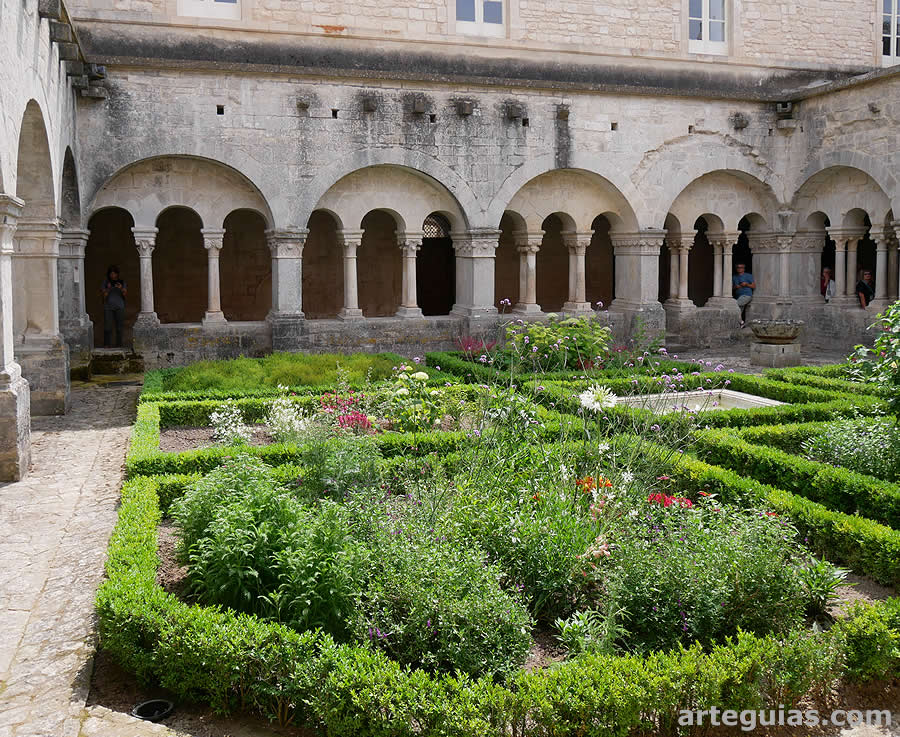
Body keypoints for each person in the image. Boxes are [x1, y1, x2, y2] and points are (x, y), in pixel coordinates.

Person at [101, 265, 127, 347]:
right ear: (109, 274)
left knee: (119, 327)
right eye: (111, 274)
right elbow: (104, 295)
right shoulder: (105, 282)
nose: (112, 275)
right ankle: (106, 345)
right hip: (108, 307)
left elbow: (125, 294)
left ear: (117, 274)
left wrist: (121, 288)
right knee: (107, 327)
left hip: (120, 306)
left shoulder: (122, 282)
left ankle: (119, 345)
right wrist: (108, 289)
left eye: (114, 273)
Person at [732, 262, 755, 328]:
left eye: (741, 267)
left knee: (735, 306)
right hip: (738, 296)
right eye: (738, 267)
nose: (739, 269)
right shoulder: (734, 277)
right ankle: (740, 324)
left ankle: (741, 322)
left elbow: (753, 286)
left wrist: (746, 284)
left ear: (744, 269)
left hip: (746, 295)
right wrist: (736, 287)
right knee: (739, 310)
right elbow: (731, 288)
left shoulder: (748, 276)